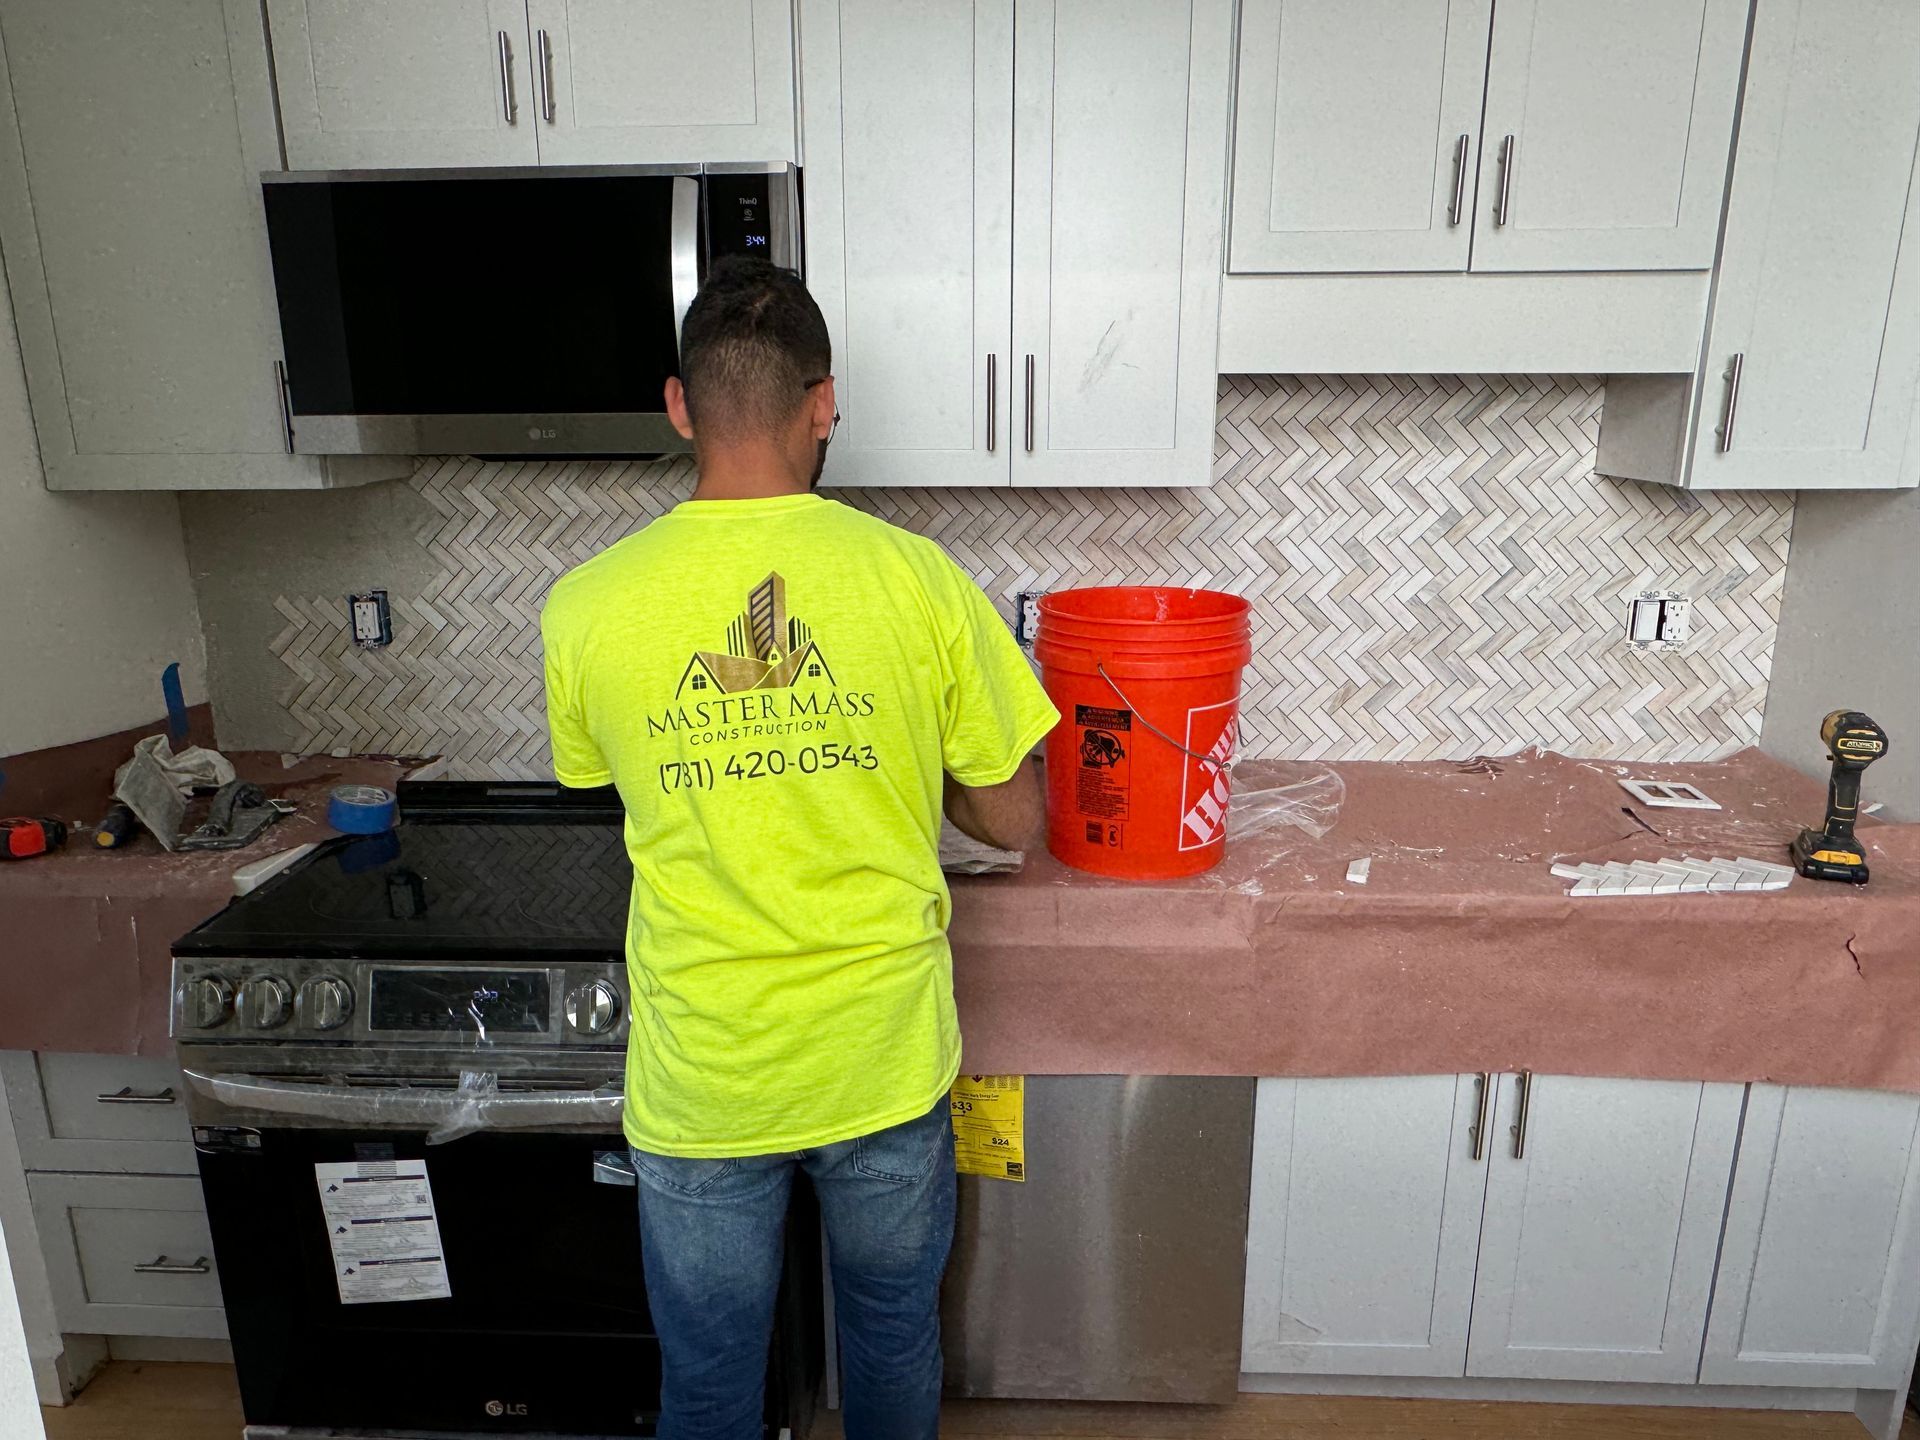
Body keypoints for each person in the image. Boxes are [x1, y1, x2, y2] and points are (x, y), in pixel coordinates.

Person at [539, 256, 1059, 1440]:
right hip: (879, 1059)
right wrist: (878, 743)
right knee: (890, 1337)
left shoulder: (585, 605)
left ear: (679, 404)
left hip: (704, 1076)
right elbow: (1012, 816)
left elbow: (612, 788)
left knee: (712, 1381)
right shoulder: (918, 580)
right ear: (823, 403)